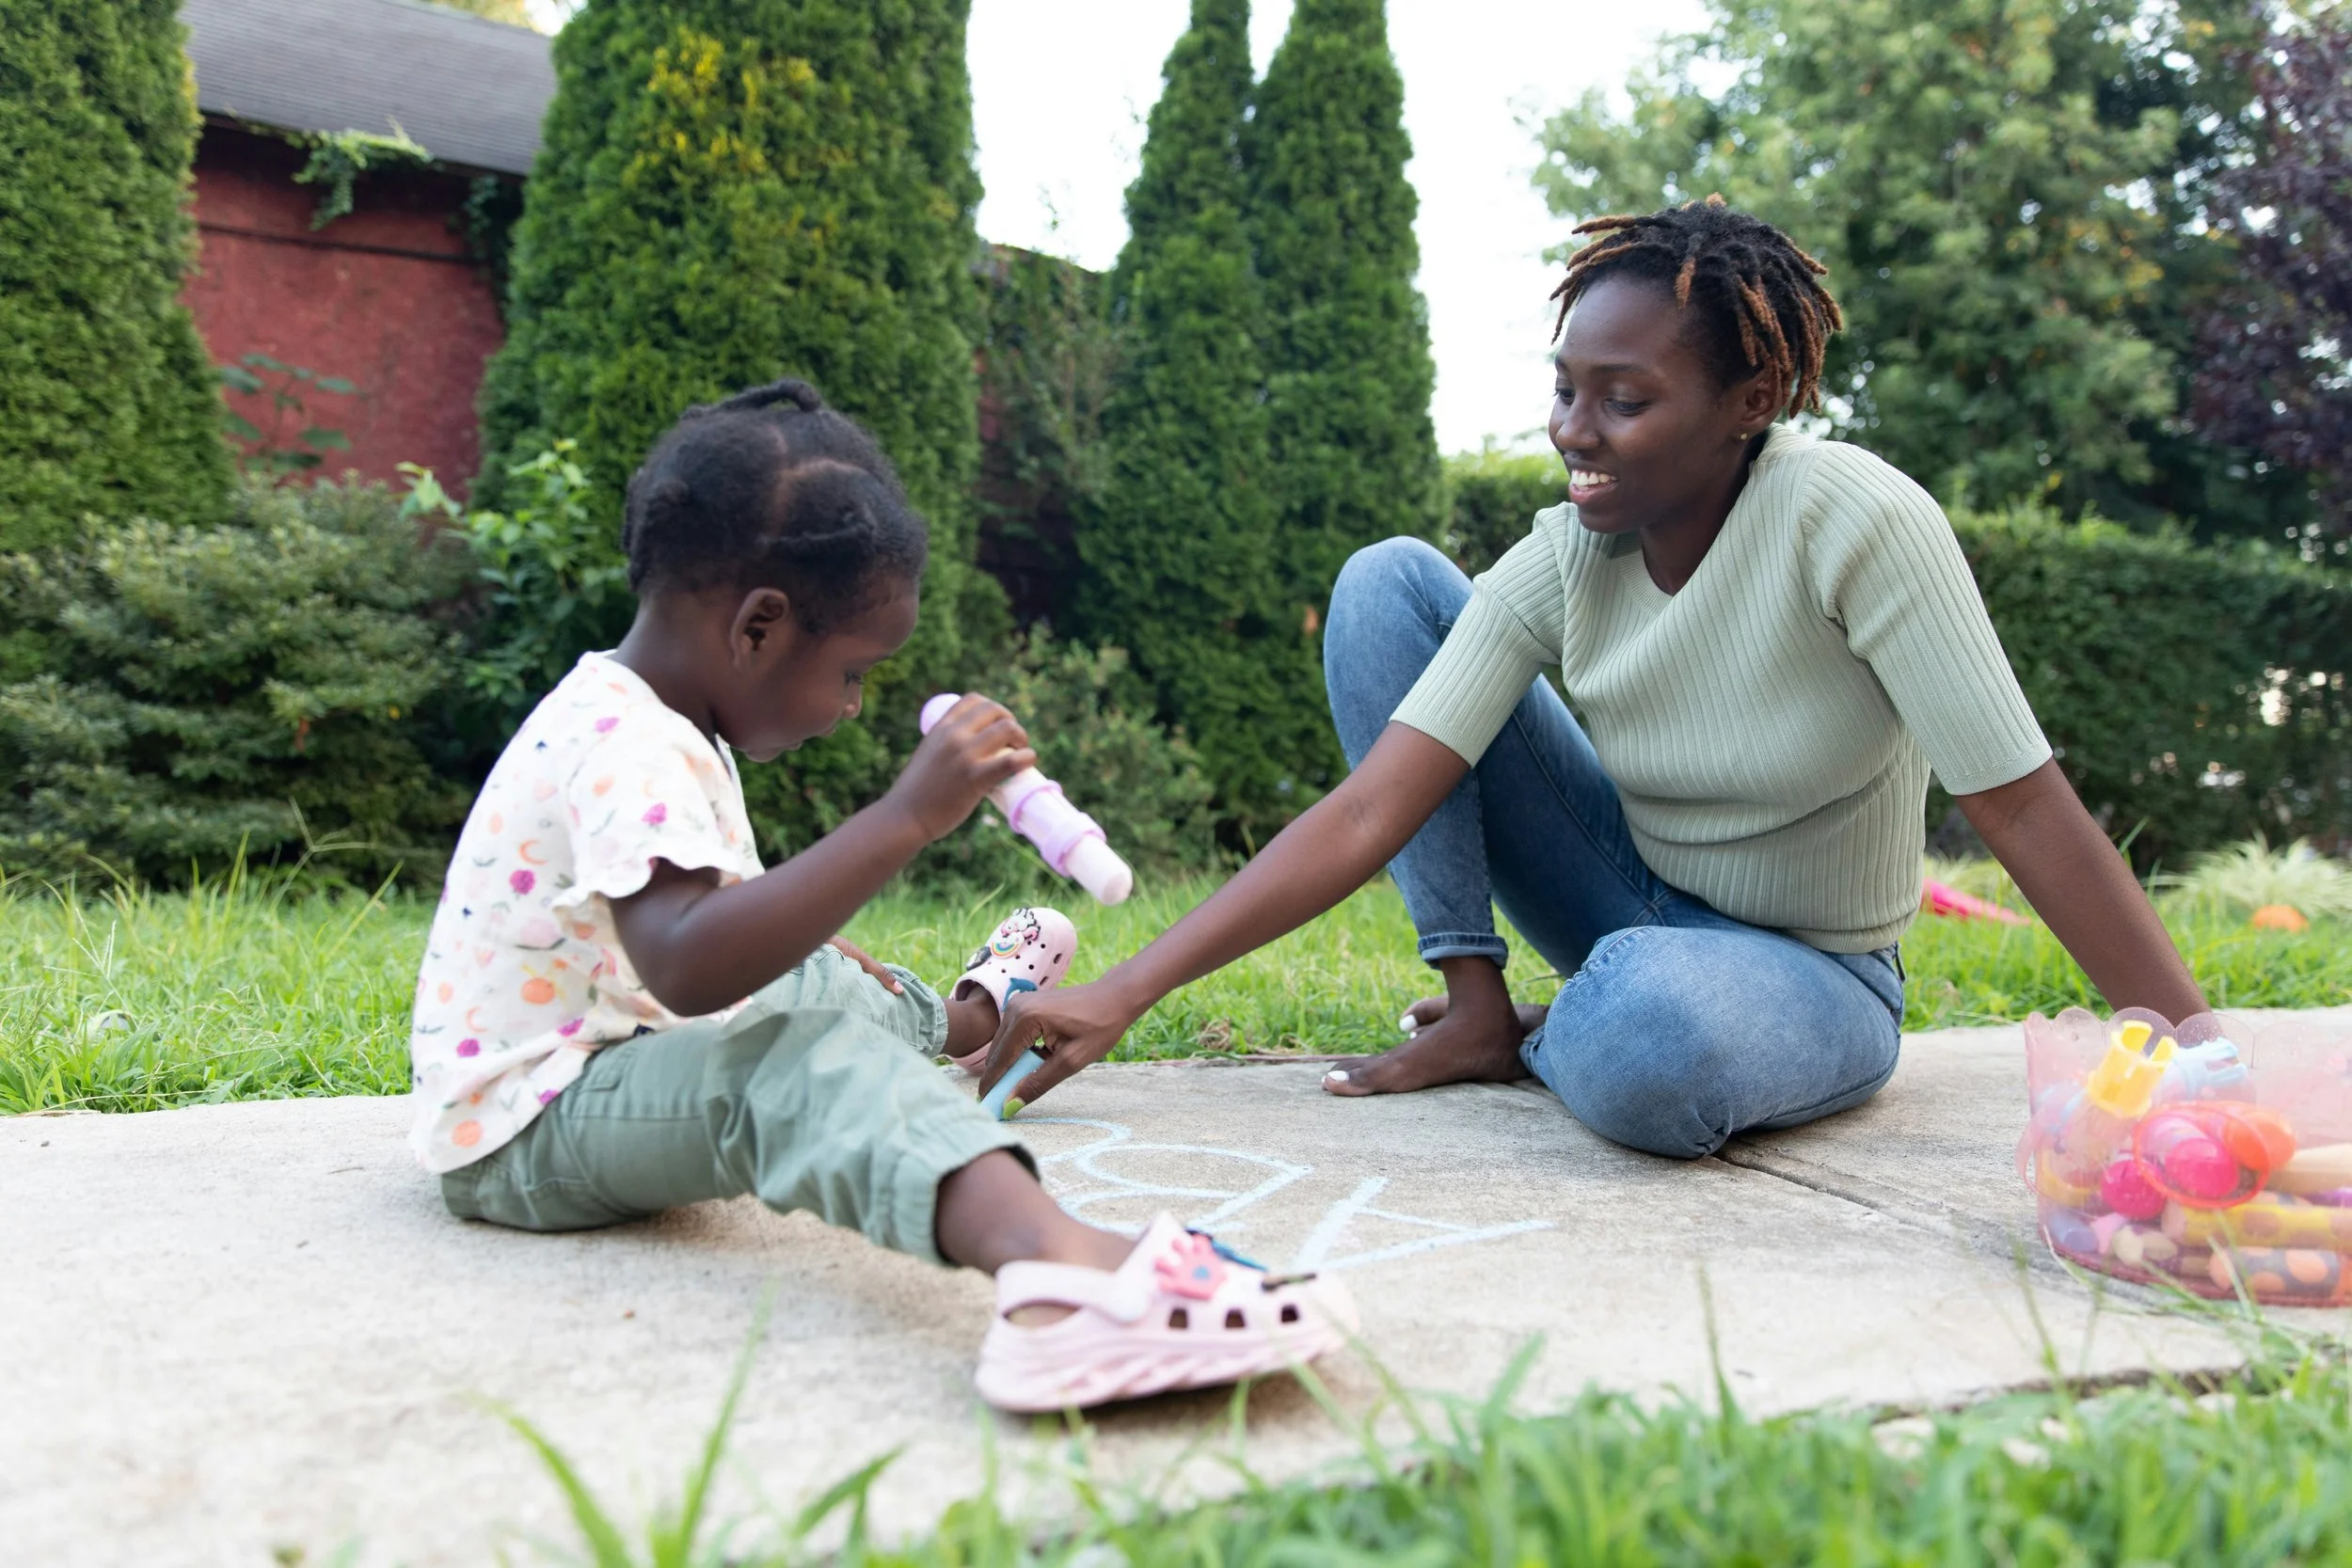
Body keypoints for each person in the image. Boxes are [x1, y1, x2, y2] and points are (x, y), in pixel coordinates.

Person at [979, 199, 2208, 1161]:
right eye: (1567, 387)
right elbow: (1372, 806)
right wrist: (1129, 986)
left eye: (1627, 399)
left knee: (1645, 1040)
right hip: (1625, 898)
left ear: (1752, 399)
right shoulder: (1564, 554)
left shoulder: (1855, 519)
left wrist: (2200, 1051)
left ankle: (1577, 1022)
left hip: (1814, 977)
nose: (1576, 427)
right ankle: (1477, 1009)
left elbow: (2023, 804)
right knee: (1389, 582)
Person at [407, 378, 1352, 1411]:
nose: (854, 705)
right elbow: (684, 965)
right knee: (797, 1066)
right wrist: (908, 814)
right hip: (528, 1122)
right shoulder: (629, 745)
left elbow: (681, 923)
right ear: (759, 625)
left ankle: (963, 1016)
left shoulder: (650, 713)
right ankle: (1058, 1271)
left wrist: (805, 934)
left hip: (611, 1040)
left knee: (815, 968)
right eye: (854, 671)